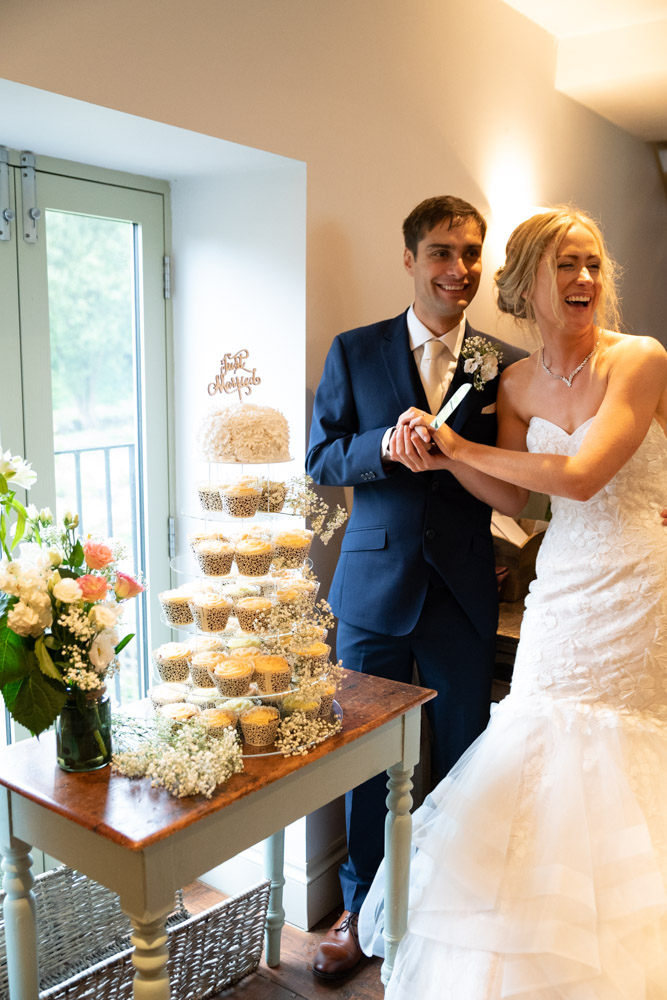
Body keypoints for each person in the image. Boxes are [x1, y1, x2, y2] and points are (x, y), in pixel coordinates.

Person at [358, 206, 667, 998]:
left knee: (620, 751)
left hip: (637, 583)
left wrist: (458, 443)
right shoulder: (515, 383)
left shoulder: (637, 359)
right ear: (529, 281)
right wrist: (436, 457)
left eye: (593, 263)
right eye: (566, 265)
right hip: (563, 587)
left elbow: (582, 476)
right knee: (536, 743)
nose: (585, 280)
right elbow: (515, 496)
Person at [305, 195, 527, 979]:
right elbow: (322, 460)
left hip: (464, 587)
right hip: (372, 587)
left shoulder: (504, 365)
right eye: (441, 252)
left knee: (466, 752)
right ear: (408, 260)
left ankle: (454, 901)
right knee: (364, 757)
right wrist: (383, 447)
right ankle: (359, 912)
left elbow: (513, 482)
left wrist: (460, 454)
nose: (458, 270)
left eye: (470, 253)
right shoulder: (354, 351)